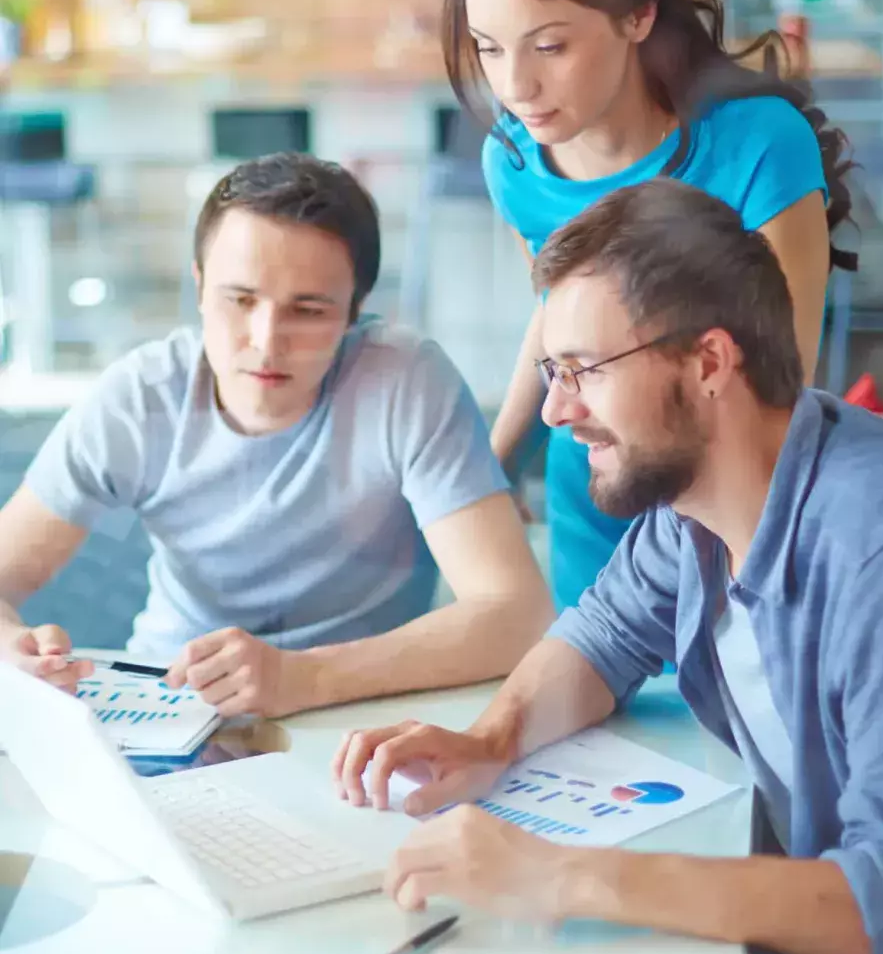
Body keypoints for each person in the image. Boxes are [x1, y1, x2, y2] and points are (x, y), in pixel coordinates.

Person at [332, 180, 883, 954]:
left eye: (581, 371)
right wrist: (491, 739)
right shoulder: (701, 502)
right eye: (550, 373)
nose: (556, 411)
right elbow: (600, 636)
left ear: (708, 363)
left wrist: (557, 875)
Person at [0, 152, 554, 718]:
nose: (267, 342)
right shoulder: (139, 396)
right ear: (198, 286)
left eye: (308, 310)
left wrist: (303, 678)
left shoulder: (405, 382)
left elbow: (515, 614)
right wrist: (10, 654)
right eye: (240, 300)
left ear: (355, 312)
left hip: (354, 707)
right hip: (168, 701)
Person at [441, 0, 855, 609]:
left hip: (734, 504)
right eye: (490, 48)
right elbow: (555, 329)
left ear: (636, 17)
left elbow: (778, 385)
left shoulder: (759, 144)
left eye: (549, 47)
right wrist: (494, 470)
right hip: (594, 493)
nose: (515, 87)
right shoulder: (514, 164)